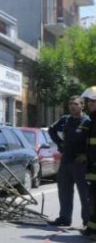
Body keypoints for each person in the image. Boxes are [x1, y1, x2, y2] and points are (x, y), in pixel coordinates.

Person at [48, 95, 91, 227]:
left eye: (76, 104)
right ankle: (65, 218)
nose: (72, 106)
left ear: (82, 106)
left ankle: (87, 220)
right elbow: (51, 130)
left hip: (81, 163)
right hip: (66, 160)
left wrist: (86, 155)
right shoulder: (65, 120)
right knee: (64, 191)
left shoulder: (88, 122)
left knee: (85, 194)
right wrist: (59, 143)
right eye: (70, 103)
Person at [81, 87, 96, 237]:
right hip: (92, 167)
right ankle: (91, 228)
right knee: (92, 199)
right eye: (89, 101)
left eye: (94, 101)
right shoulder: (91, 120)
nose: (90, 104)